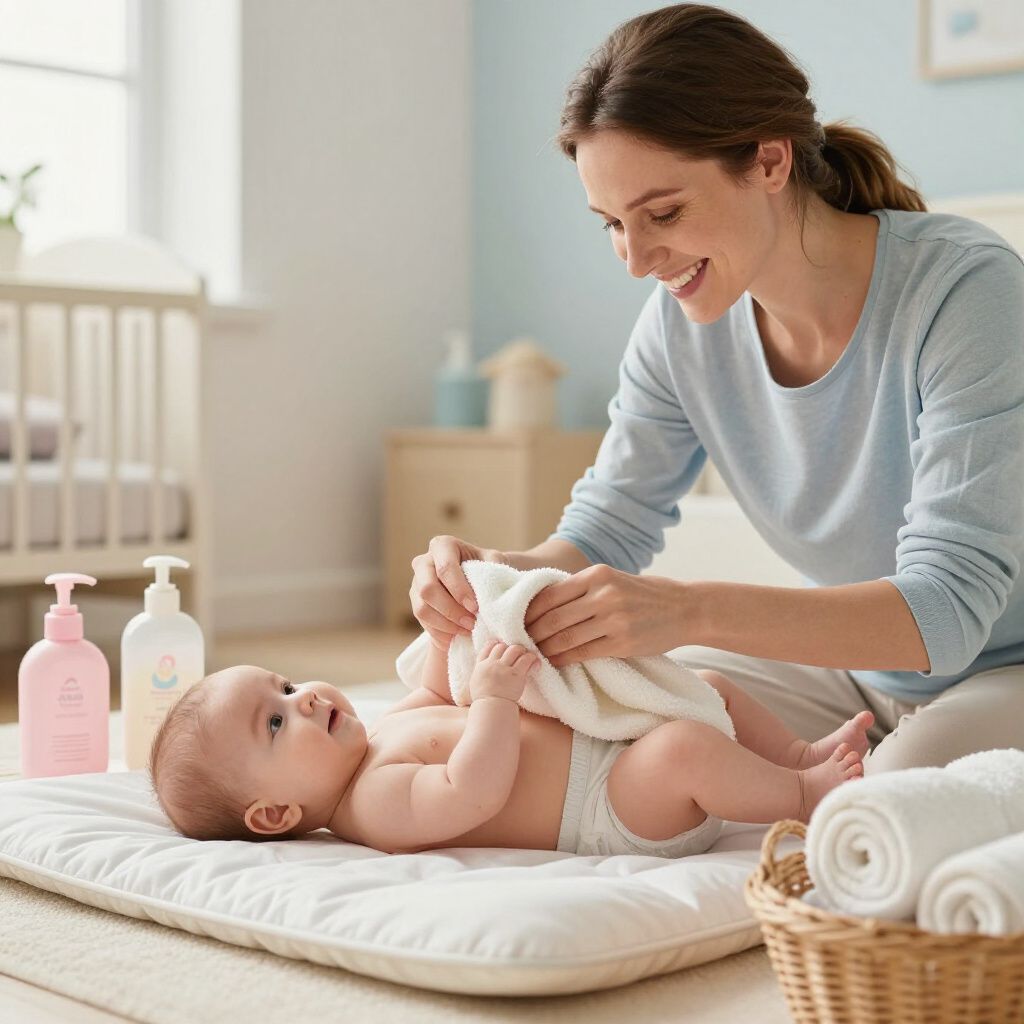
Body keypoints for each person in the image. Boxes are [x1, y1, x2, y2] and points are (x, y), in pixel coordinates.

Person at [408, 3, 1024, 774]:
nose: (636, 260)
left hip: (1004, 669)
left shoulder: (965, 288)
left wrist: (689, 608)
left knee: (886, 801)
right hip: (856, 677)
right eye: (611, 224)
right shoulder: (678, 326)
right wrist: (496, 572)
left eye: (662, 213)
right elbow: (607, 530)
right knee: (620, 723)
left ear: (770, 162)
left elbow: (949, 611)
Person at [148, 645, 870, 846]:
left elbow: (434, 695)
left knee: (704, 684)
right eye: (274, 723)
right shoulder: (374, 804)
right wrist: (492, 698)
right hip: (609, 806)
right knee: (685, 747)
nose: (300, 697)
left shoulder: (377, 736)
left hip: (604, 743)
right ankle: (805, 797)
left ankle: (797, 755)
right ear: (275, 813)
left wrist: (444, 632)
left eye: (283, 684)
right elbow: (473, 789)